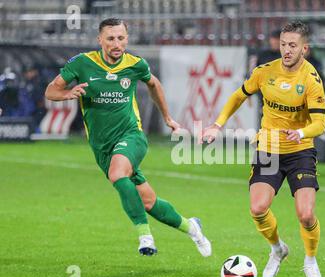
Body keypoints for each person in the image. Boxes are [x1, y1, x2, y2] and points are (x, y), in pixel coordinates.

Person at [45, 18, 211, 257]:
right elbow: (51, 90)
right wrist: (68, 93)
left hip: (132, 136)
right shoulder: (82, 63)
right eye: (111, 38)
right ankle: (192, 227)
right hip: (102, 146)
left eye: (121, 38)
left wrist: (167, 117)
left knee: (117, 174)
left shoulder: (136, 65)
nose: (116, 43)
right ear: (100, 40)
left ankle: (145, 236)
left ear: (127, 39)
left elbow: (154, 84)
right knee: (148, 202)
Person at [201, 20, 325, 277]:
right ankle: (277, 249)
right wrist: (217, 125)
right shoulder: (264, 72)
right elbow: (238, 96)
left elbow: (320, 123)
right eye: (283, 44)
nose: (286, 50)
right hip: (268, 148)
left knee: (305, 214)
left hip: (300, 150)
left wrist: (301, 133)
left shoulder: (312, 80)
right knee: (257, 208)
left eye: (293, 45)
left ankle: (310, 259)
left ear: (305, 48)